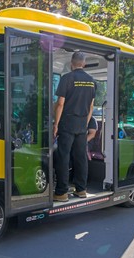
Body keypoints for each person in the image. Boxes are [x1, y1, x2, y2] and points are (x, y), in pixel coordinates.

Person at [53, 51, 95, 202]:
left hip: (67, 123)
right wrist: (85, 122)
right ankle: (81, 190)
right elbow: (91, 106)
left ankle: (61, 192)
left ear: (71, 63)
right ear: (84, 64)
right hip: (82, 123)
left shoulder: (67, 78)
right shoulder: (91, 81)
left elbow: (60, 104)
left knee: (63, 156)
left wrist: (56, 124)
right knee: (81, 157)